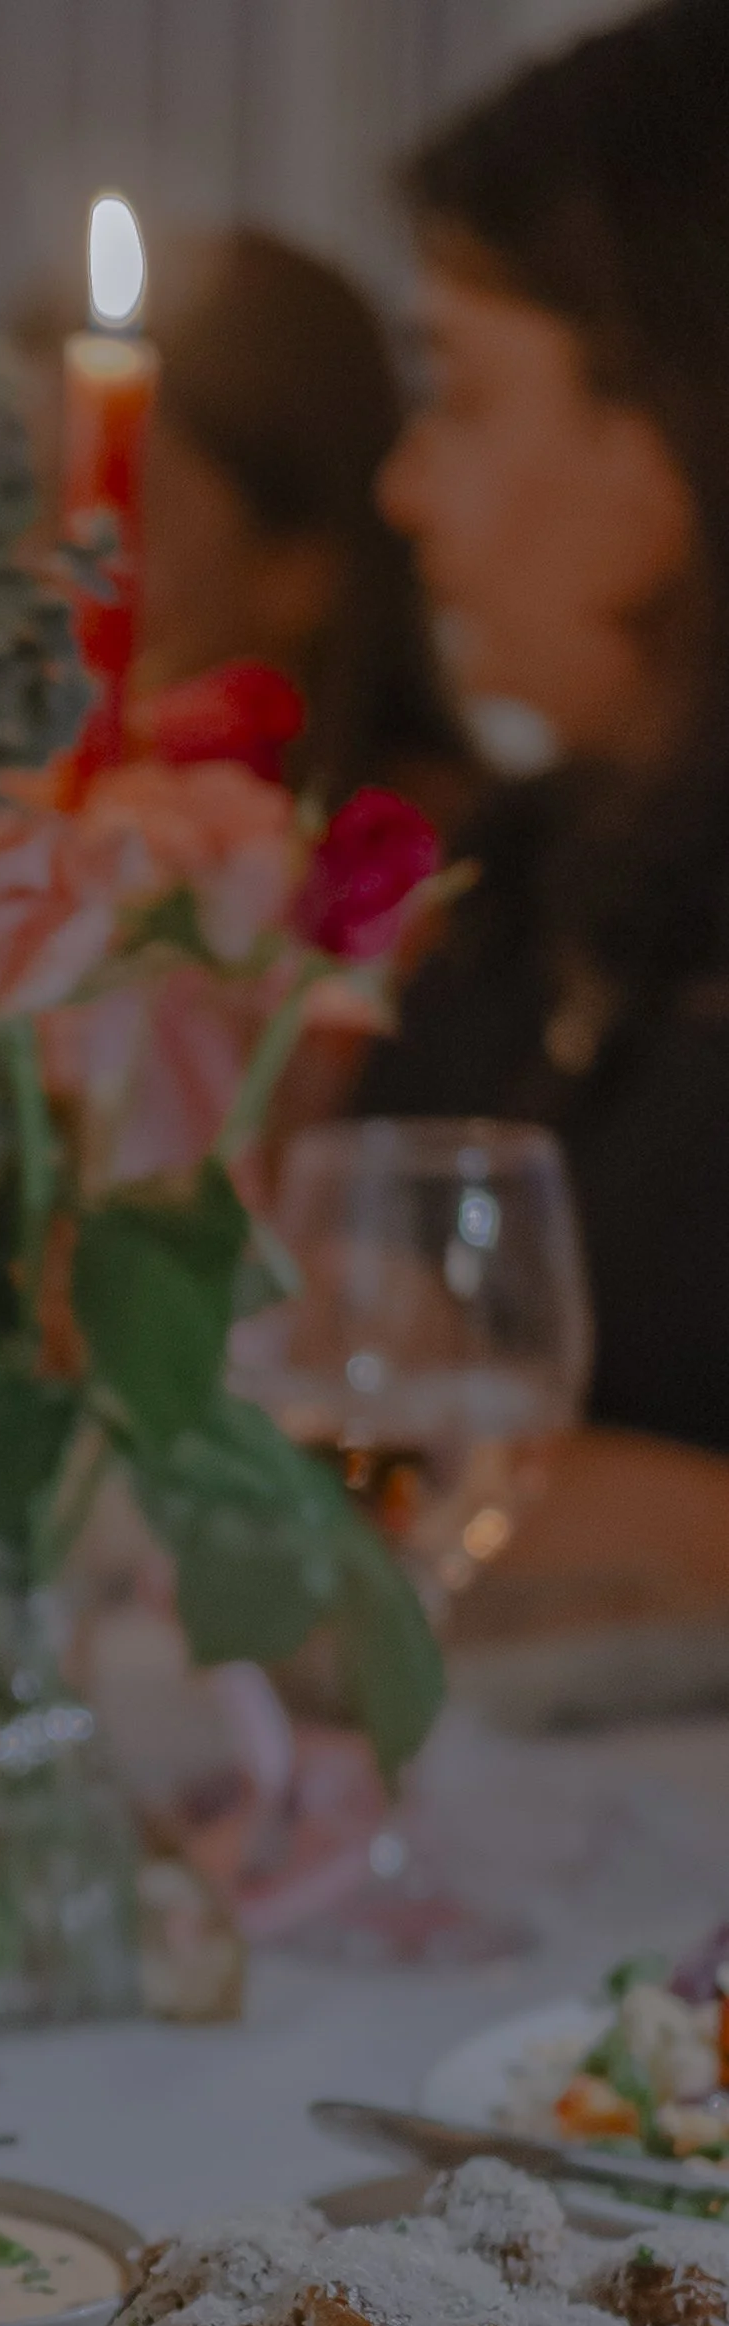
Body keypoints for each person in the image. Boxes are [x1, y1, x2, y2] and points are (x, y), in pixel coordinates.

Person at [363, 0, 729, 1455]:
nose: (401, 489)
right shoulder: (526, 885)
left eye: (458, 397)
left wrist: (659, 1524)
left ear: (665, 447)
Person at [16, 230, 478, 821]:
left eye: (109, 515)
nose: (34, 565)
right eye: (21, 505)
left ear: (302, 562)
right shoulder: (18, 837)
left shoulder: (449, 860)